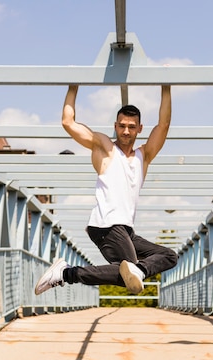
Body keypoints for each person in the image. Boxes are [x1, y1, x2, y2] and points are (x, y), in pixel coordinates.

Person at [35, 85, 178, 296]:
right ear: (115, 126)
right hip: (106, 225)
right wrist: (73, 86)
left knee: (168, 257)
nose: (126, 131)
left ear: (140, 128)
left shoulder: (144, 156)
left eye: (131, 126)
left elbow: (164, 125)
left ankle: (133, 270)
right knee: (129, 276)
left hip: (126, 230)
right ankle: (66, 274)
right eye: (121, 126)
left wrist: (166, 86)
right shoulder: (105, 148)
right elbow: (68, 122)